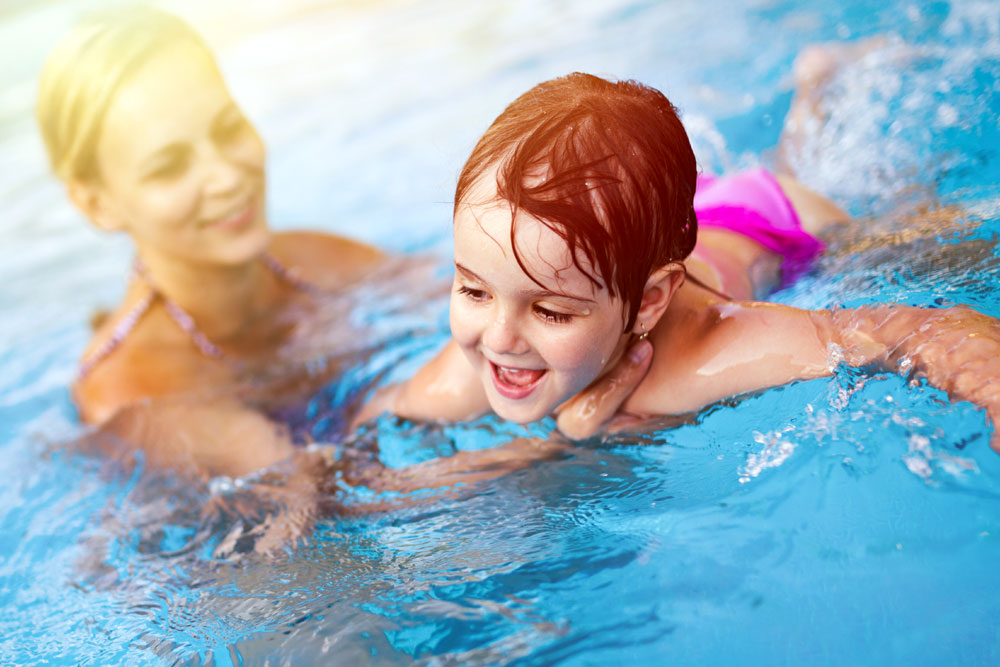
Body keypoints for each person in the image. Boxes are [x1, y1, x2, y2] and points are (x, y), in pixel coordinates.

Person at [37, 6, 645, 480]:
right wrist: (551, 446)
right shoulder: (136, 390)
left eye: (227, 129)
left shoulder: (312, 260)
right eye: (169, 166)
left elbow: (493, 300)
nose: (225, 175)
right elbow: (315, 503)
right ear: (97, 203)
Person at [355, 71, 1000, 451]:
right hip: (636, 234)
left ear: (651, 301)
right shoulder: (475, 363)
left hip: (776, 222)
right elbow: (366, 433)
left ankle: (818, 88)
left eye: (550, 311)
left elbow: (913, 330)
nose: (497, 337)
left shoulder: (710, 349)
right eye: (472, 291)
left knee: (930, 239)